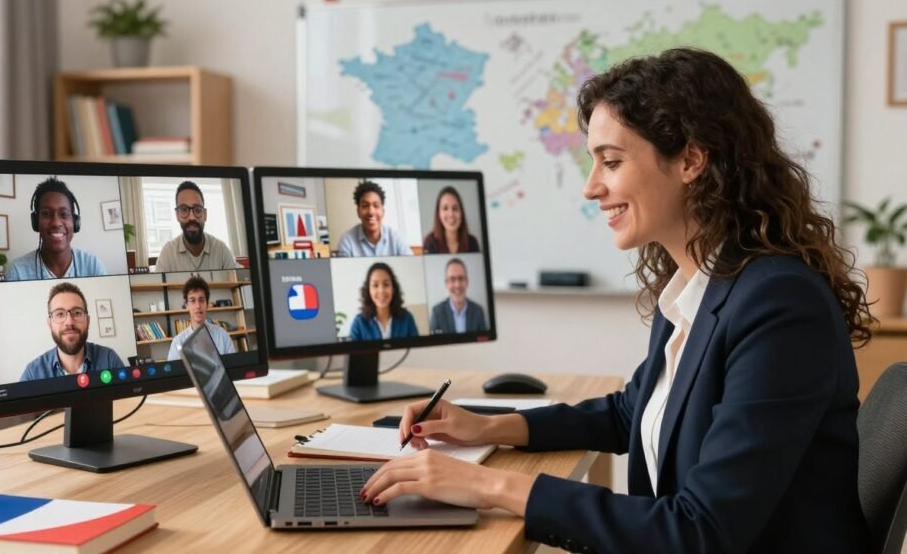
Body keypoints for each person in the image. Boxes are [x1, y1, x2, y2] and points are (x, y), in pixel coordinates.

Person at [361, 48, 873, 553]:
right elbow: (633, 413)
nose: (590, 187)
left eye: (611, 161)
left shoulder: (778, 304)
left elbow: (701, 532)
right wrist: (488, 426)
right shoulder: (699, 285)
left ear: (691, 160)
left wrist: (488, 486)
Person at [5, 177, 107, 281]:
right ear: (36, 222)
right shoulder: (17, 272)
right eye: (46, 214)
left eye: (64, 214)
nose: (56, 223)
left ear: (75, 222)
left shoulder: (93, 266)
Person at [20, 282, 125, 381]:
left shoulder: (109, 360)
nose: (69, 322)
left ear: (88, 320)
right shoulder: (32, 374)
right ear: (49, 323)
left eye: (77, 313)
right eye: (60, 314)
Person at [156, 181, 238, 272]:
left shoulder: (221, 251)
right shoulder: (167, 254)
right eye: (184, 210)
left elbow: (242, 280)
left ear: (205, 214)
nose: (192, 217)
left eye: (198, 210)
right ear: (177, 215)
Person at [336, 180, 413, 257]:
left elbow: (411, 264)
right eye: (365, 206)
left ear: (383, 212)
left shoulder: (396, 238)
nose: (371, 212)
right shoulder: (347, 241)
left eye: (376, 206)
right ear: (358, 212)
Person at [168, 275, 237, 360]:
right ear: (187, 305)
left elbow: (233, 366)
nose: (198, 306)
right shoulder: (177, 342)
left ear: (207, 304)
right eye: (192, 300)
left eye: (201, 300)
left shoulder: (222, 335)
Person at [348, 262, 419, 340]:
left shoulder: (407, 319)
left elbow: (416, 350)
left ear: (393, 289)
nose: (381, 290)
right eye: (375, 285)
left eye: (386, 284)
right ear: (368, 290)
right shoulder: (359, 322)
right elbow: (352, 351)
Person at [429, 258, 487, 334]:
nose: (457, 285)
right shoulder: (437, 313)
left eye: (461, 278)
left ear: (467, 282)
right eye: (452, 279)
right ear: (446, 284)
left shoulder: (478, 311)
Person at [422, 186, 480, 254]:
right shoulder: (429, 242)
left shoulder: (472, 242)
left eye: (455, 208)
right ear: (438, 213)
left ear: (461, 212)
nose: (451, 214)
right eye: (445, 208)